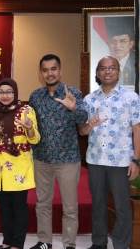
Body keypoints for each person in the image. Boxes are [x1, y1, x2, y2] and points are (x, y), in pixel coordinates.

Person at [28, 54, 88, 249]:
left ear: (60, 71)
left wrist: (73, 108)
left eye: (53, 69)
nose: (50, 73)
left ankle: (69, 243)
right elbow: (31, 125)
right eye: (45, 70)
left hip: (68, 159)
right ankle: (45, 241)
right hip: (42, 158)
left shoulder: (73, 93)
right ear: (41, 73)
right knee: (42, 203)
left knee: (70, 206)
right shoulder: (35, 96)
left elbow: (83, 120)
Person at [80, 56, 140, 249]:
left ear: (118, 72)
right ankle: (99, 243)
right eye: (103, 68)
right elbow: (82, 131)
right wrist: (90, 125)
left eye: (112, 68)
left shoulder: (131, 98)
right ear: (97, 73)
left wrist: (136, 160)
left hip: (121, 161)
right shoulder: (89, 100)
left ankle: (121, 244)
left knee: (122, 206)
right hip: (95, 159)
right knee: (98, 204)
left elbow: (137, 129)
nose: (107, 71)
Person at [0, 78, 40, 249]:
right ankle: (7, 241)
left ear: (15, 93)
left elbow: (35, 139)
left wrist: (29, 127)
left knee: (19, 208)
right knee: (4, 208)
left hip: (19, 169)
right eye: (1, 92)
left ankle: (17, 244)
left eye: (9, 92)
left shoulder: (26, 110)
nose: (5, 95)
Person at [105, 16, 136, 86]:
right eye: (113, 41)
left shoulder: (137, 61)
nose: (117, 46)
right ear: (108, 44)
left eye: (123, 41)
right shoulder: (101, 61)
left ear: (131, 44)